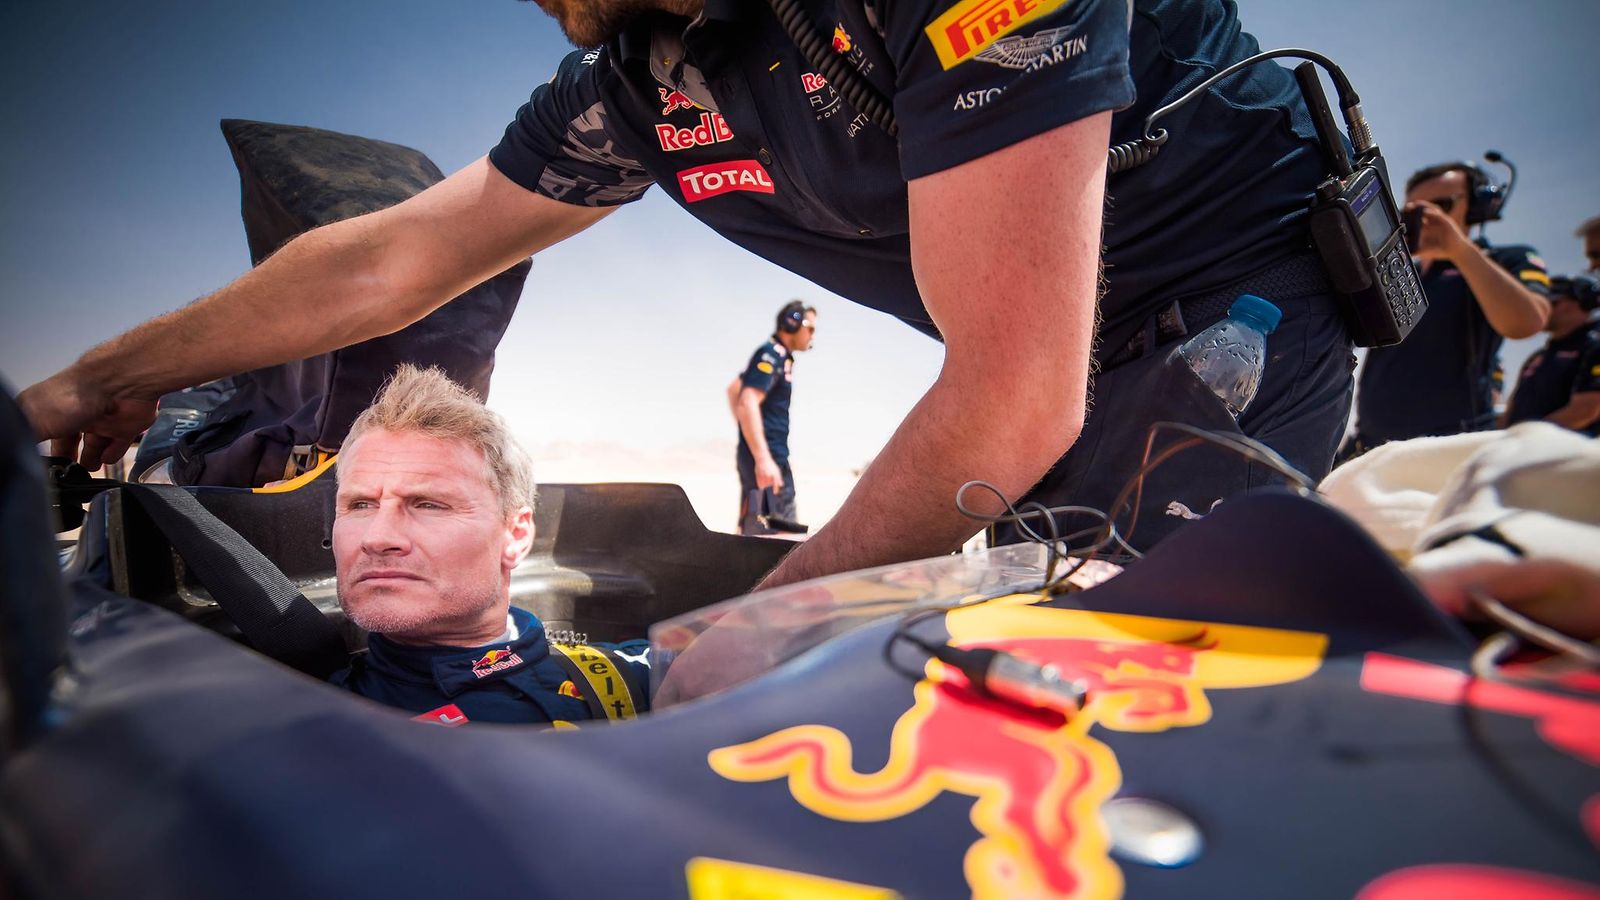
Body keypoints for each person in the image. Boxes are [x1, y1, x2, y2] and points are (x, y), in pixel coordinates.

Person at [20, 0, 1358, 588]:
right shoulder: (635, 82)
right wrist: (101, 377)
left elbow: (1009, 390)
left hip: (1232, 318)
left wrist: (750, 624)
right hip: (1054, 378)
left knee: (1083, 672)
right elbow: (393, 257)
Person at [328, 364, 650, 725]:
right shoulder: (307, 722)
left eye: (428, 504)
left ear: (515, 535)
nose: (377, 537)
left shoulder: (644, 674)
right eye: (360, 505)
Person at [1346, 162, 1551, 453]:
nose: (1428, 219)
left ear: (1478, 207)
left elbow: (1528, 322)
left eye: (1442, 206)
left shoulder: (1507, 259)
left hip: (1454, 447)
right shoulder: (1398, 273)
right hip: (1372, 444)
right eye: (1415, 212)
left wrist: (1458, 250)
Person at [727, 301, 816, 534]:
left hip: (763, 459)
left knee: (758, 530)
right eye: (810, 328)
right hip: (769, 462)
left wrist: (748, 433)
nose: (813, 336)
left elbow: (734, 390)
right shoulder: (772, 355)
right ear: (792, 322)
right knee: (779, 539)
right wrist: (763, 458)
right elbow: (746, 401)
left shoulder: (778, 356)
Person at [1503, 275, 1600, 436]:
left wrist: (1524, 436)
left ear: (1582, 304)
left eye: (1552, 303)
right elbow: (1512, 409)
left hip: (1567, 449)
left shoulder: (1594, 349)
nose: (1542, 309)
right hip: (1525, 446)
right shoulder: (1539, 356)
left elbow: (1586, 411)